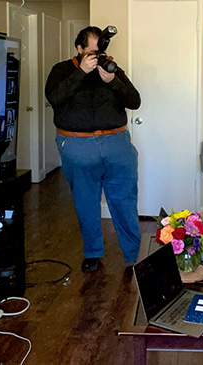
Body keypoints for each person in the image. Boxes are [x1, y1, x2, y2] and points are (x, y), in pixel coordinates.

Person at [45, 26, 142, 273]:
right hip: (78, 145)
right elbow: (54, 98)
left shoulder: (111, 68)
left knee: (125, 201)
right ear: (79, 48)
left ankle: (132, 255)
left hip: (117, 143)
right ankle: (93, 253)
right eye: (92, 51)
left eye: (101, 50)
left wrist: (114, 82)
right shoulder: (62, 69)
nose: (98, 56)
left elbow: (135, 101)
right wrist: (80, 73)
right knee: (86, 202)